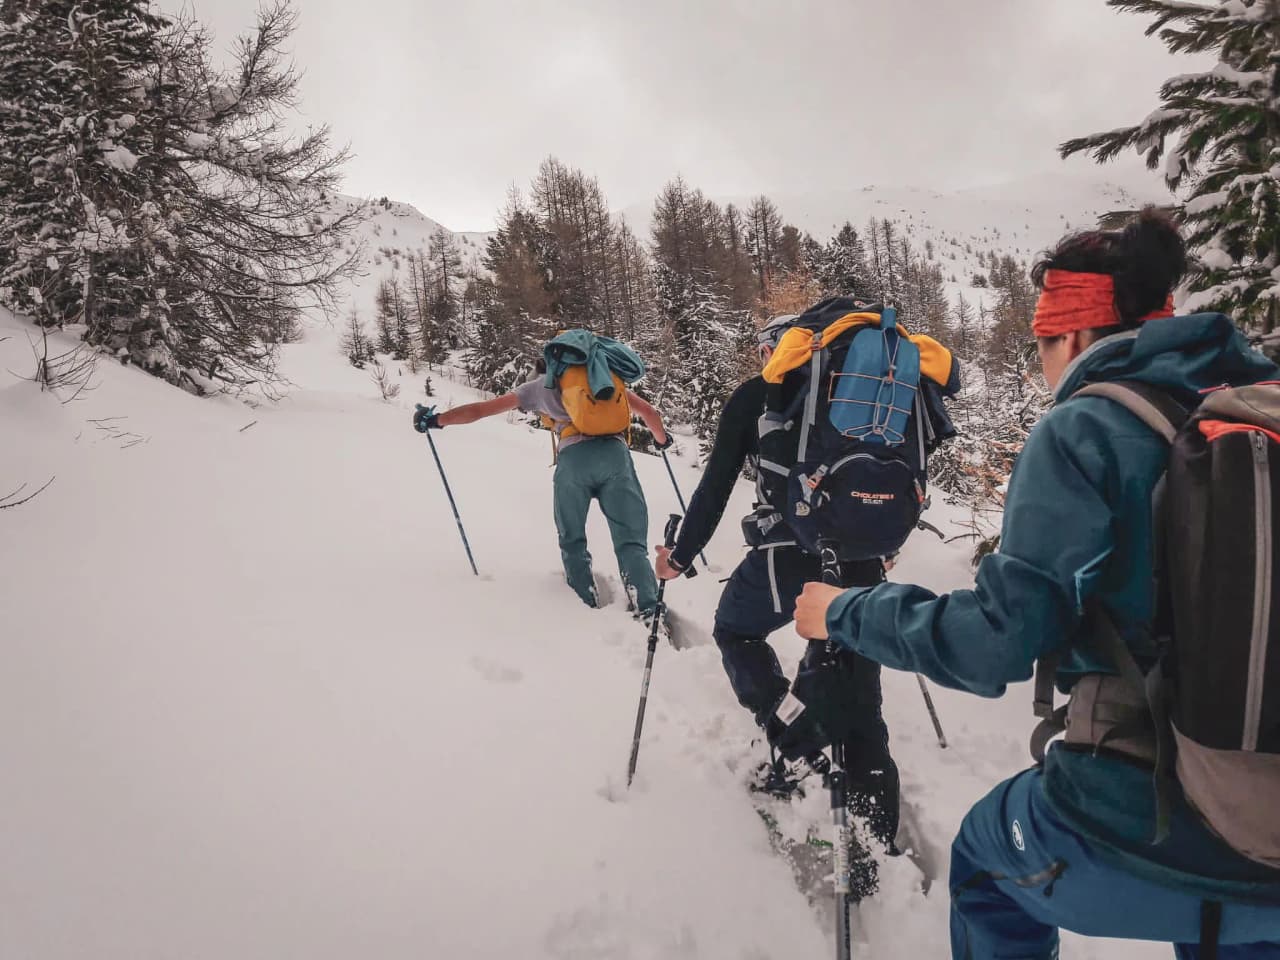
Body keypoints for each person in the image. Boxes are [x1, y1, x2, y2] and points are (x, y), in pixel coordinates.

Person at [794, 211, 1280, 958]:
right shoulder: (1258, 412)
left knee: (987, 866)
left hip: (1136, 814)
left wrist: (847, 613)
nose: (1042, 365)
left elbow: (999, 641)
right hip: (1268, 831)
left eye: (1041, 345)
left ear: (1073, 337)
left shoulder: (1086, 429)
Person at [653, 312, 912, 884]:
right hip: (863, 564)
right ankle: (876, 844)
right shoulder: (870, 400)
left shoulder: (758, 396)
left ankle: (792, 735)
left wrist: (680, 556)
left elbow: (715, 487)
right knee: (862, 700)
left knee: (736, 630)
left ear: (780, 348)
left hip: (787, 558)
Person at [416, 329, 671, 620]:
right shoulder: (602, 377)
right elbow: (651, 414)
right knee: (630, 542)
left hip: (573, 461)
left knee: (572, 538)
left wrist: (437, 420)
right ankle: (649, 608)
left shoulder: (540, 387)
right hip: (616, 459)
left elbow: (481, 410)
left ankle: (583, 605)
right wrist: (662, 441)